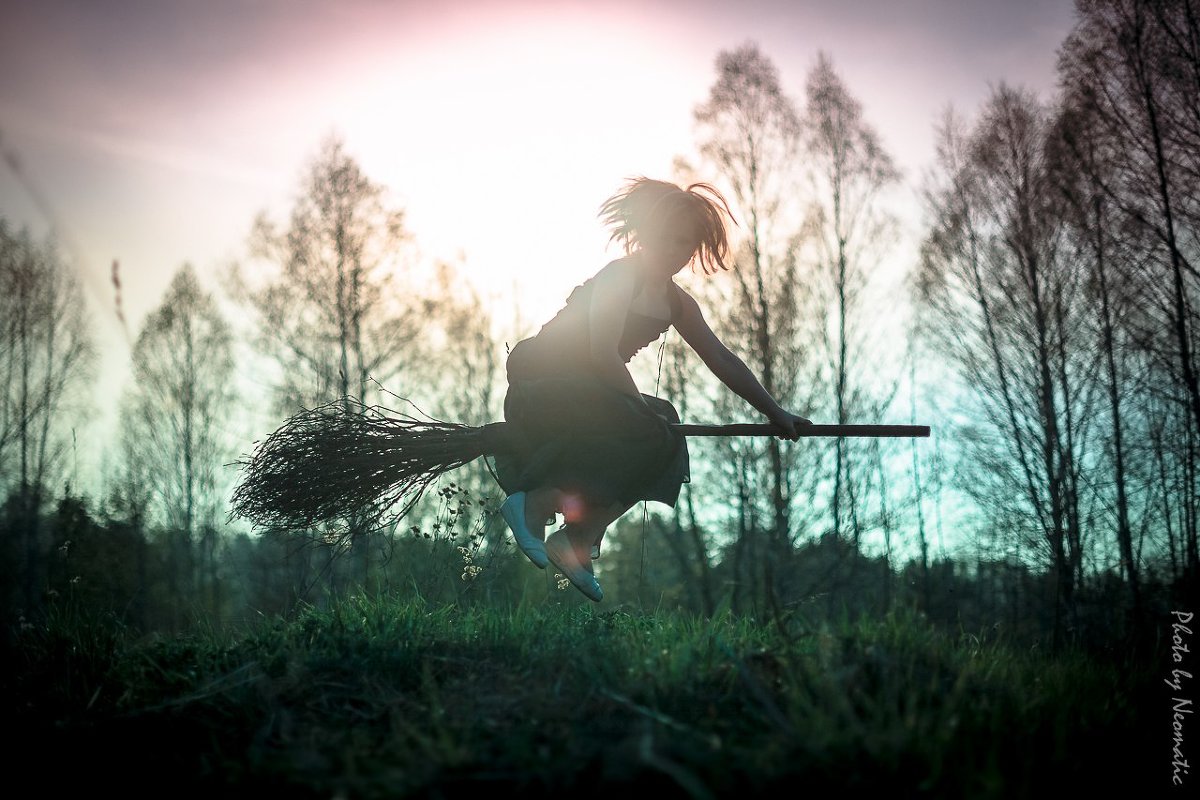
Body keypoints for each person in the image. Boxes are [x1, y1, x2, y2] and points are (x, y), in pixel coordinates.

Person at [492, 177, 810, 601]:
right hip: (544, 381)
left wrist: (777, 413)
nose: (675, 253)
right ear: (647, 234)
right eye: (668, 240)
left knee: (668, 429)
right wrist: (637, 411)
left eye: (685, 245)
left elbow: (723, 359)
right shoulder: (621, 277)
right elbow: (602, 351)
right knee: (650, 424)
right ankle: (534, 504)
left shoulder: (677, 302)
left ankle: (579, 537)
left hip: (591, 391)